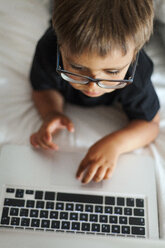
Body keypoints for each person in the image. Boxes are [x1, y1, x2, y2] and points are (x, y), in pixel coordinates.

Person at [30, 0, 160, 184]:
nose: (93, 86)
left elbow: (150, 124)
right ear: (60, 45)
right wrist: (52, 111)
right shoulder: (48, 48)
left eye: (112, 72)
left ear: (134, 55)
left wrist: (115, 145)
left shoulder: (138, 72)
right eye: (76, 67)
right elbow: (42, 89)